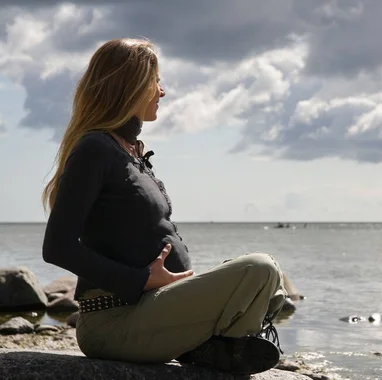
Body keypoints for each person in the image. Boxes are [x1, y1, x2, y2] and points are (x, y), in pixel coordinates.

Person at [41, 38, 287, 375]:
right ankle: (219, 347)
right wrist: (141, 280)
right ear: (133, 85)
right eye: (156, 81)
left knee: (270, 285)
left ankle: (213, 350)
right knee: (260, 268)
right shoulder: (94, 149)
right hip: (115, 320)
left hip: (151, 310)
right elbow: (57, 247)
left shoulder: (130, 151)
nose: (162, 91)